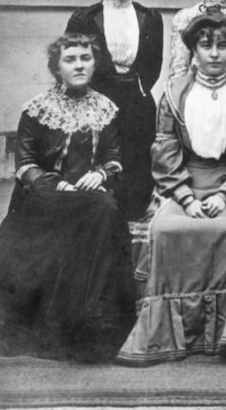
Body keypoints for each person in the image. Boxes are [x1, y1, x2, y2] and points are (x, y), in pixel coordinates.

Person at [117, 12, 226, 366]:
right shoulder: (174, 92)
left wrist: (224, 193)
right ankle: (168, 337)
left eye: (222, 45)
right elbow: (165, 148)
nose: (214, 53)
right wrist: (185, 197)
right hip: (182, 181)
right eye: (206, 45)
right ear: (194, 50)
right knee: (169, 229)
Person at [0, 34, 136, 363]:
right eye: (70, 59)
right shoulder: (36, 109)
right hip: (45, 198)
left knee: (105, 210)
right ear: (56, 67)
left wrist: (101, 174)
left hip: (89, 197)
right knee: (92, 213)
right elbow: (26, 164)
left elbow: (114, 157)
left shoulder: (106, 108)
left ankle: (94, 327)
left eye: (85, 58)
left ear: (95, 63)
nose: (79, 65)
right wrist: (54, 184)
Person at [66, 0, 164, 220]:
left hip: (137, 104)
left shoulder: (150, 18)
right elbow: (73, 62)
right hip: (96, 103)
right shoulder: (84, 18)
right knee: (100, 171)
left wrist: (137, 90)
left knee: (136, 168)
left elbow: (152, 66)